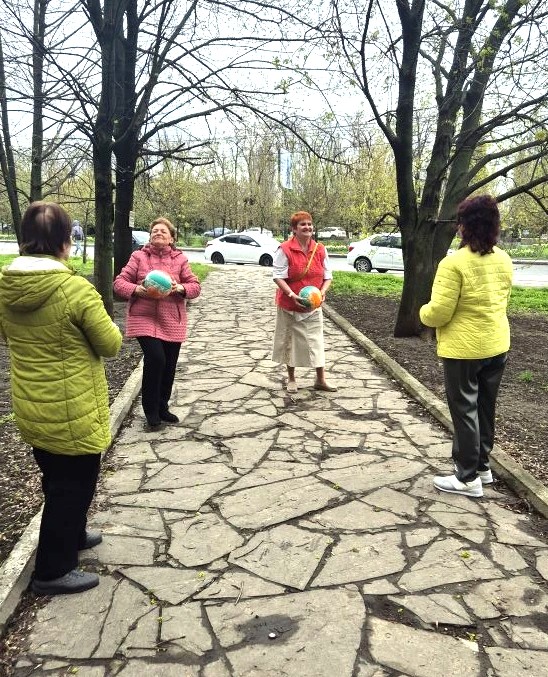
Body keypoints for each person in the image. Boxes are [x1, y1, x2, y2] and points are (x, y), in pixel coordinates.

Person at [0, 201, 122, 595]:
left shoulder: (6, 287)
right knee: (74, 485)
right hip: (72, 407)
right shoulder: (74, 289)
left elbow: (8, 337)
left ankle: (72, 533)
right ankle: (52, 570)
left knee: (56, 477)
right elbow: (111, 344)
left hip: (32, 404)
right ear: (64, 242)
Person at [419, 195, 513, 498]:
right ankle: (482, 467)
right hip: (497, 345)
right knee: (484, 407)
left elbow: (439, 313)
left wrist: (422, 313)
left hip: (464, 350)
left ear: (464, 226)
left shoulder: (453, 263)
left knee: (464, 410)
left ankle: (467, 477)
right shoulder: (504, 259)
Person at [113, 217, 201, 431]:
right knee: (156, 358)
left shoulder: (180, 260)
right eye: (154, 231)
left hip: (171, 319)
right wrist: (137, 289)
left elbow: (195, 287)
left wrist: (179, 288)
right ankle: (150, 411)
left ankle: (162, 407)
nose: (158, 233)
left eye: (163, 231)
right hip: (143, 317)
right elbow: (119, 283)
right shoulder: (139, 256)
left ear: (171, 238)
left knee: (169, 365)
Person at [272, 210, 337, 393]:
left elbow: (328, 276)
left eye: (309, 224)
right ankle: (291, 379)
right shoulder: (285, 249)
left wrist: (322, 293)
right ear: (294, 229)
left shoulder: (320, 249)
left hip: (313, 306)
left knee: (316, 342)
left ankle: (320, 380)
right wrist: (292, 295)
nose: (307, 227)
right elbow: (278, 276)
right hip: (290, 304)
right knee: (290, 342)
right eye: (303, 224)